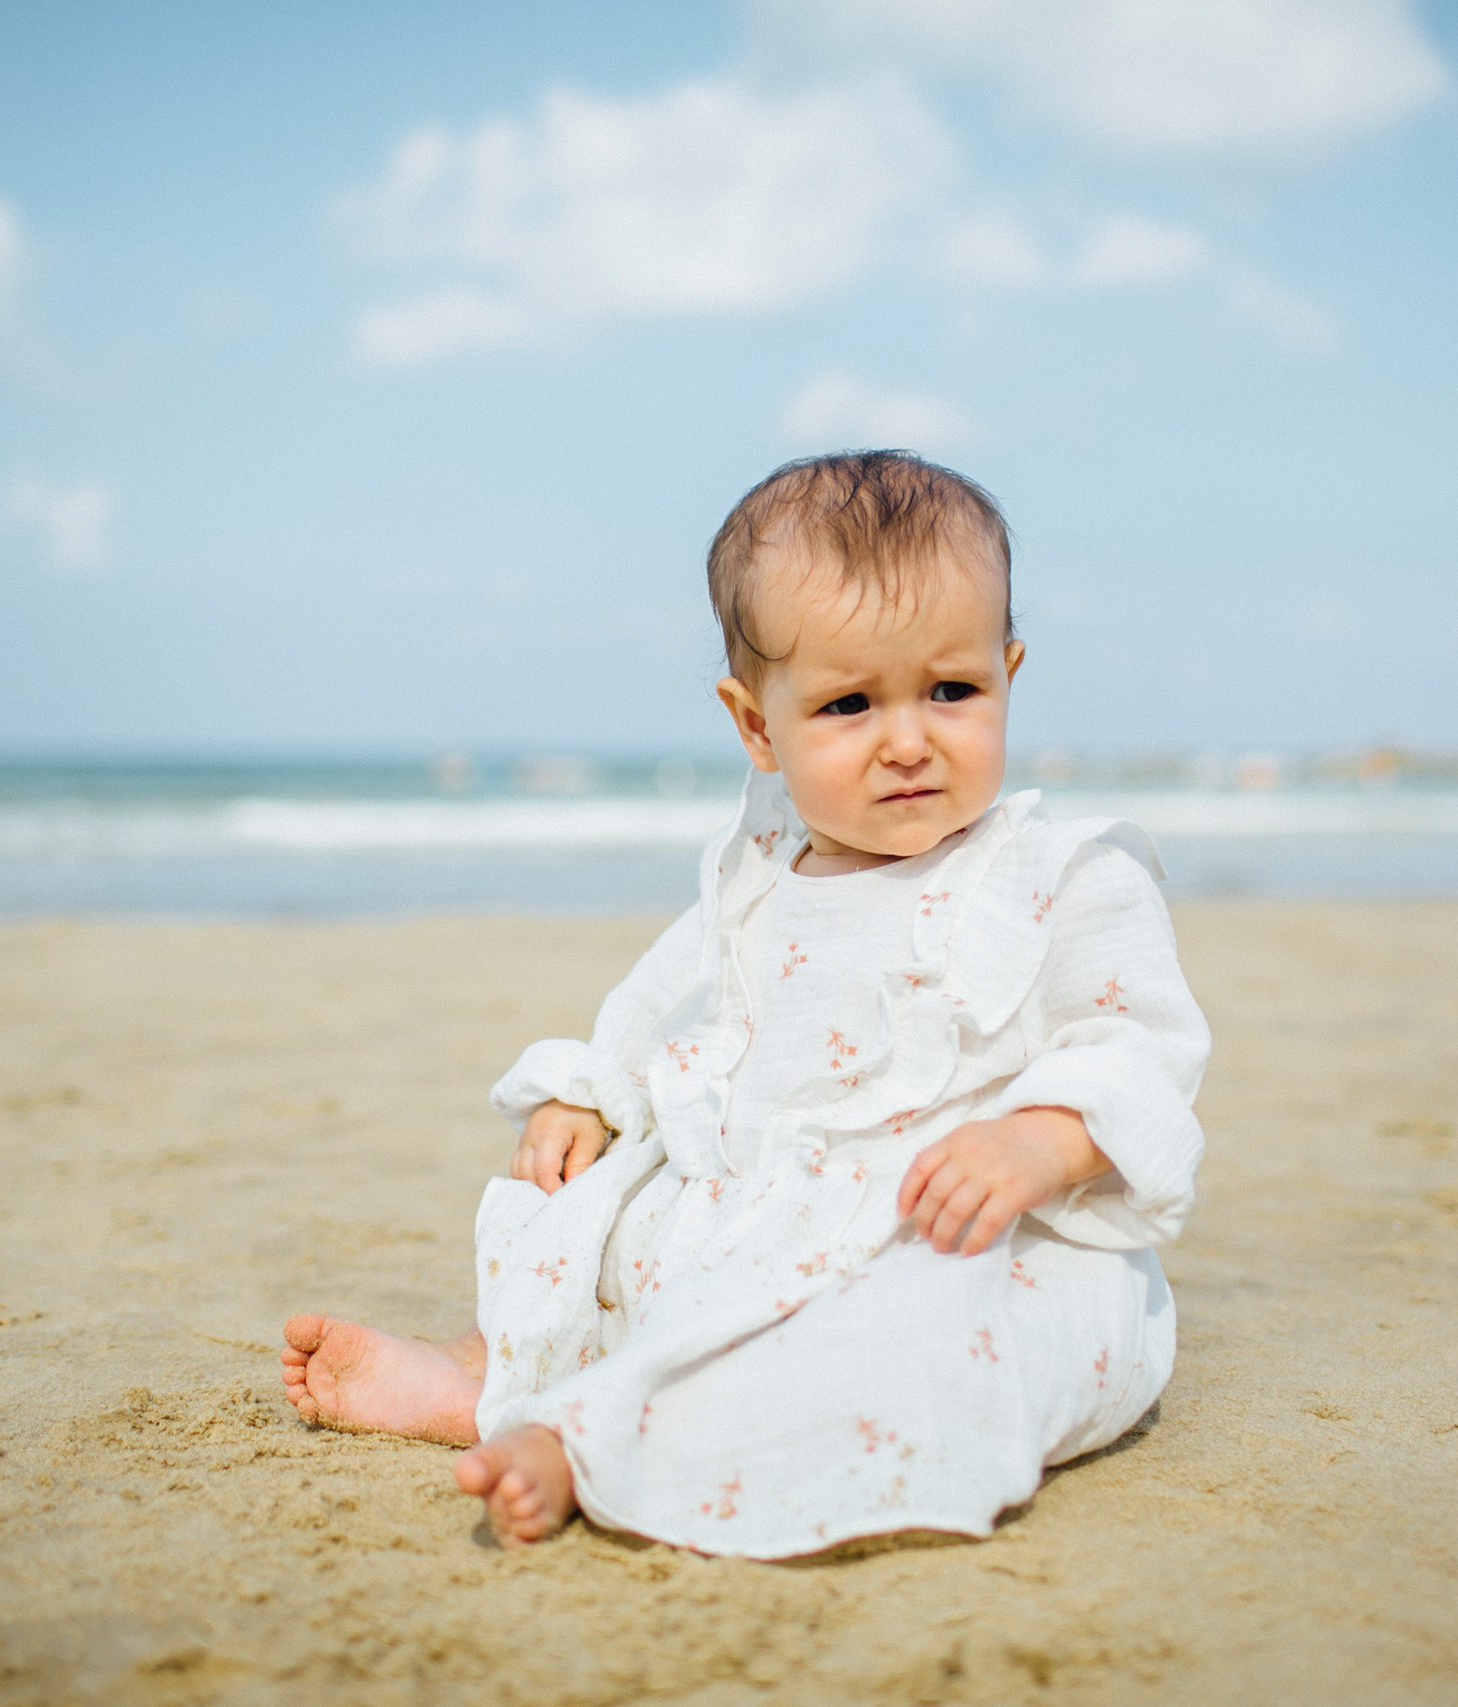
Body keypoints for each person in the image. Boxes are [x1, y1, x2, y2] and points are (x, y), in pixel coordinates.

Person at [282, 451, 1209, 1559]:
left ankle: (587, 1443)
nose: (908, 738)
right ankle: (489, 1379)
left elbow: (1139, 1044)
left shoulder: (1055, 877)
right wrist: (592, 1095)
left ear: (1008, 673)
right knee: (606, 1224)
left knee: (910, 1339)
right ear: (756, 726)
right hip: (767, 1214)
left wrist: (1043, 1140)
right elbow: (663, 1002)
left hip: (966, 1240)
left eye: (951, 690)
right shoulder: (757, 880)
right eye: (848, 703)